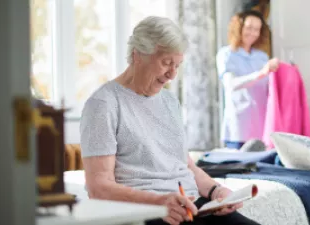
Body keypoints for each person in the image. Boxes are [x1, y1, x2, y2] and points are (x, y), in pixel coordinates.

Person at [80, 16, 261, 225]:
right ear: (137, 55)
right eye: (166, 63)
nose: (172, 74)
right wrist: (159, 202)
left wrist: (216, 191)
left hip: (191, 205)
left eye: (178, 65)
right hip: (146, 210)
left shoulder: (169, 101)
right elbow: (98, 187)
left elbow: (185, 166)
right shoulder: (103, 104)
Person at [216, 10, 279, 150]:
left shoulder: (262, 57)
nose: (253, 33)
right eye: (249, 28)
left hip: (262, 128)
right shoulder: (226, 54)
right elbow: (230, 84)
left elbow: (270, 87)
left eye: (257, 29)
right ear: (238, 28)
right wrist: (261, 73)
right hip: (238, 128)